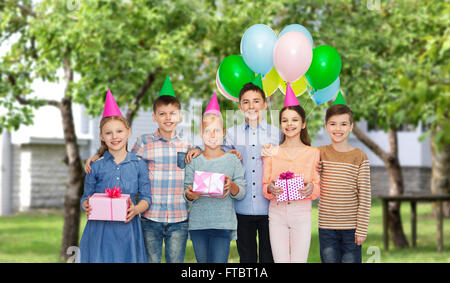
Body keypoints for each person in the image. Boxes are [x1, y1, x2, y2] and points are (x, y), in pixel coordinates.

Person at [84, 76, 201, 263]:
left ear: (180, 117)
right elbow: (123, 158)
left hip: (179, 216)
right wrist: (98, 156)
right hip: (150, 218)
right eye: (162, 114)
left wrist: (199, 150)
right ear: (154, 117)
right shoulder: (144, 142)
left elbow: (199, 164)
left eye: (172, 113)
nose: (168, 118)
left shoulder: (187, 145)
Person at [79, 89, 150, 263]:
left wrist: (136, 210)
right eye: (108, 133)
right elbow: (85, 198)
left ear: (128, 132)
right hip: (99, 231)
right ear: (102, 137)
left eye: (119, 131)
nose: (114, 136)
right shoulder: (95, 166)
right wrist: (86, 204)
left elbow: (147, 198)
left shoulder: (139, 164)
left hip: (128, 230)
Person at [222, 75, 280, 263]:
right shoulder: (231, 134)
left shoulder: (276, 133)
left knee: (268, 258)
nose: (251, 106)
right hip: (242, 207)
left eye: (256, 101)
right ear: (240, 107)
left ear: (264, 104)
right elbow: (216, 157)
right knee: (246, 258)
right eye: (246, 102)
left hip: (270, 208)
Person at [184, 93, 246, 263]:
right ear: (201, 134)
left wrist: (231, 185)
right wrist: (191, 194)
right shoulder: (194, 160)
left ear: (223, 133)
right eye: (208, 131)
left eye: (216, 131)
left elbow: (240, 192)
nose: (212, 135)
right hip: (198, 224)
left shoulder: (233, 160)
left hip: (222, 224)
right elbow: (186, 191)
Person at [262, 84, 320, 263]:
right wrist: (270, 188)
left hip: (301, 213)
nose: (289, 124)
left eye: (294, 120)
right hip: (276, 213)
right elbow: (265, 187)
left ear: (303, 124)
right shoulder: (271, 151)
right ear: (281, 124)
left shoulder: (313, 153)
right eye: (285, 120)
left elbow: (317, 188)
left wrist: (312, 188)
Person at [318, 94, 371, 263]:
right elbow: (308, 178)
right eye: (333, 124)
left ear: (351, 127)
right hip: (326, 228)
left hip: (352, 229)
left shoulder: (359, 156)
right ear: (326, 126)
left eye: (343, 124)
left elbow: (365, 196)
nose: (338, 128)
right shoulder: (319, 153)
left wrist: (361, 229)